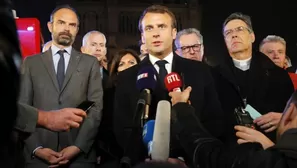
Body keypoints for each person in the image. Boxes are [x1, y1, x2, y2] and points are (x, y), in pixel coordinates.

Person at [113, 5, 224, 167]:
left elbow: (214, 121)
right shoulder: (126, 77)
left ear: (173, 33)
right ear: (143, 36)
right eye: (149, 28)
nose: (156, 33)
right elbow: (122, 128)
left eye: (162, 27)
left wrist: (187, 159)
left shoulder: (200, 71)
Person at [19, 5, 103, 168]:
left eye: (72, 25)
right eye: (61, 23)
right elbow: (23, 107)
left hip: (79, 158)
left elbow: (96, 108)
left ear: (77, 29)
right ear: (50, 26)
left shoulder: (90, 63)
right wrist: (36, 148)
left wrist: (77, 147)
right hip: (38, 158)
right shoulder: (31, 63)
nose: (66, 28)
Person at [211, 12, 294, 146]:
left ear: (252, 36)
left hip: (269, 149)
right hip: (231, 149)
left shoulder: (278, 75)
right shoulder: (213, 76)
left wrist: (283, 118)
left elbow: (292, 112)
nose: (234, 35)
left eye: (240, 29)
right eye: (228, 33)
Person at [169, 84, 297, 168]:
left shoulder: (261, 162)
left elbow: (209, 155)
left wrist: (181, 107)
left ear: (290, 112)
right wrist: (274, 149)